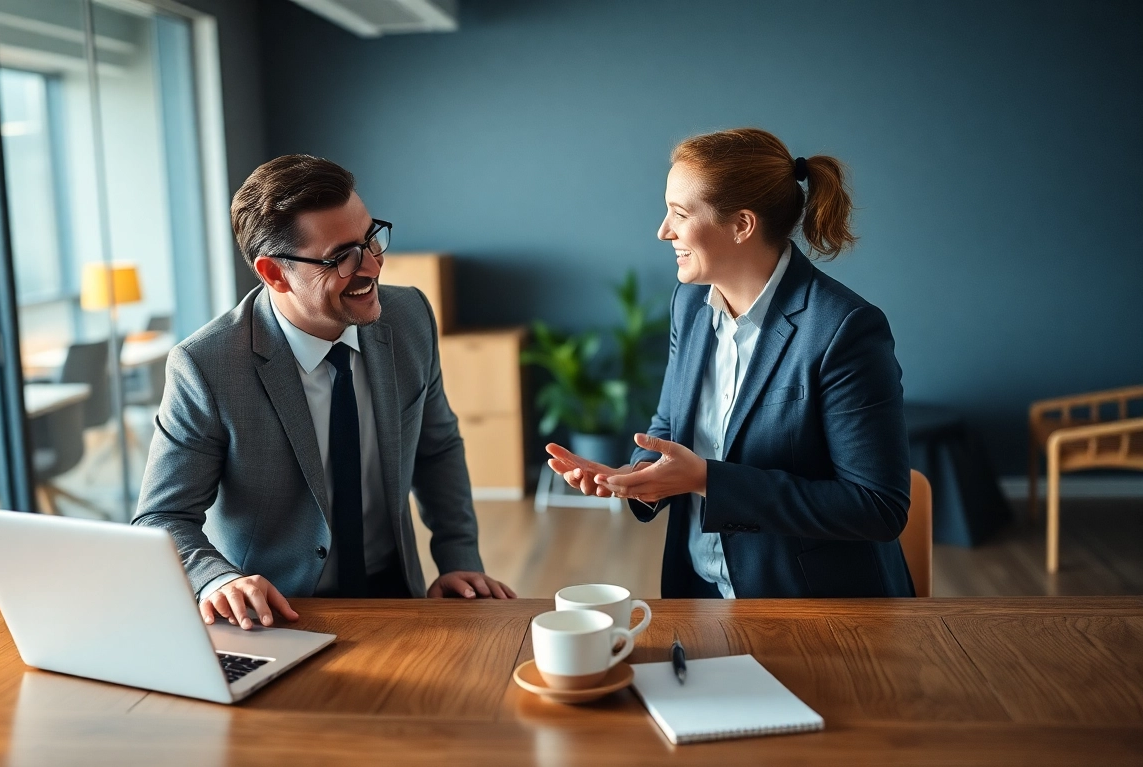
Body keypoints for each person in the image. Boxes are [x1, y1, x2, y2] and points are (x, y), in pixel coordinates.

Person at [134, 155, 515, 629]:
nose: (373, 266)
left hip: (399, 596)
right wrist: (217, 580)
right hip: (277, 613)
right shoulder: (206, 366)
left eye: (371, 239)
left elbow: (436, 449)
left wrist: (459, 559)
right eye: (342, 257)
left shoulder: (411, 317)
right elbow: (163, 516)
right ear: (274, 273)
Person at [545, 128, 913, 598]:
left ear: (741, 225)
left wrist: (706, 479)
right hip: (698, 590)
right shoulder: (689, 305)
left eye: (679, 213)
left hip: (812, 606)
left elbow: (876, 507)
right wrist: (636, 476)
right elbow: (671, 425)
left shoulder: (846, 329)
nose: (663, 231)